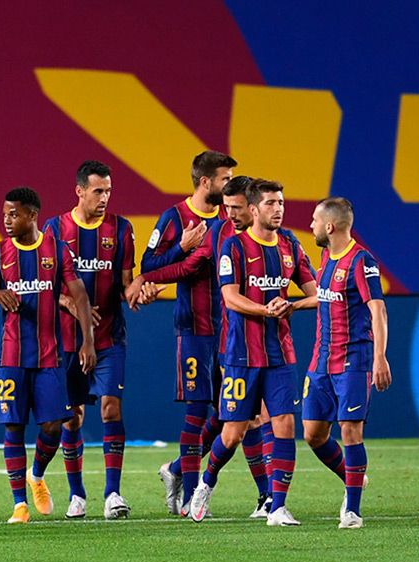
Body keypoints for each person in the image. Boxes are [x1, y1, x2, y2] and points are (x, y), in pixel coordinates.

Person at [191, 179, 316, 526]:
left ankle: (277, 507)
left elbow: (317, 293)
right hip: (240, 355)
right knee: (232, 434)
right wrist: (266, 311)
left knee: (285, 425)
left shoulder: (290, 244)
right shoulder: (233, 246)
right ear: (255, 209)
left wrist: (291, 305)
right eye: (271, 203)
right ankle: (206, 483)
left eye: (281, 203)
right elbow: (230, 297)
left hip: (280, 353)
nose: (278, 209)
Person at [44, 160, 157, 520]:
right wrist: (71, 305)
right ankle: (77, 494)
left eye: (108, 191)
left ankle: (112, 493)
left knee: (111, 407)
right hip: (66, 340)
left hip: (109, 337)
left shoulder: (122, 229)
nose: (105, 197)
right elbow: (45, 287)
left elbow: (126, 283)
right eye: (98, 191)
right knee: (72, 417)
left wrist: (139, 292)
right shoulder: (54, 229)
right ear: (79, 191)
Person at [0, 187, 96, 524]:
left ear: (32, 214)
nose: (7, 220)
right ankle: (19, 504)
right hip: (11, 355)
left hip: (49, 356)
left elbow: (80, 297)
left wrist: (87, 342)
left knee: (53, 426)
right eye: (4, 214)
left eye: (13, 214)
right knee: (13, 427)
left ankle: (37, 474)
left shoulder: (58, 252)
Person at [140, 151, 237, 517]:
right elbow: (148, 266)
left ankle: (176, 469)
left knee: (231, 414)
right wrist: (182, 246)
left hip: (230, 331)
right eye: (225, 179)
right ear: (205, 182)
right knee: (197, 411)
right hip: (194, 327)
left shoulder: (232, 219)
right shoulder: (174, 217)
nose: (229, 185)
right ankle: (191, 496)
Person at [296, 197, 390, 528]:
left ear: (330, 226)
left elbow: (377, 309)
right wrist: (294, 306)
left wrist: (380, 357)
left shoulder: (361, 261)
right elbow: (326, 298)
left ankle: (352, 508)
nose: (311, 226)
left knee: (350, 430)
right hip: (321, 360)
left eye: (314, 221)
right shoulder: (326, 258)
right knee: (313, 434)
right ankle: (354, 478)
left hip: (354, 359)